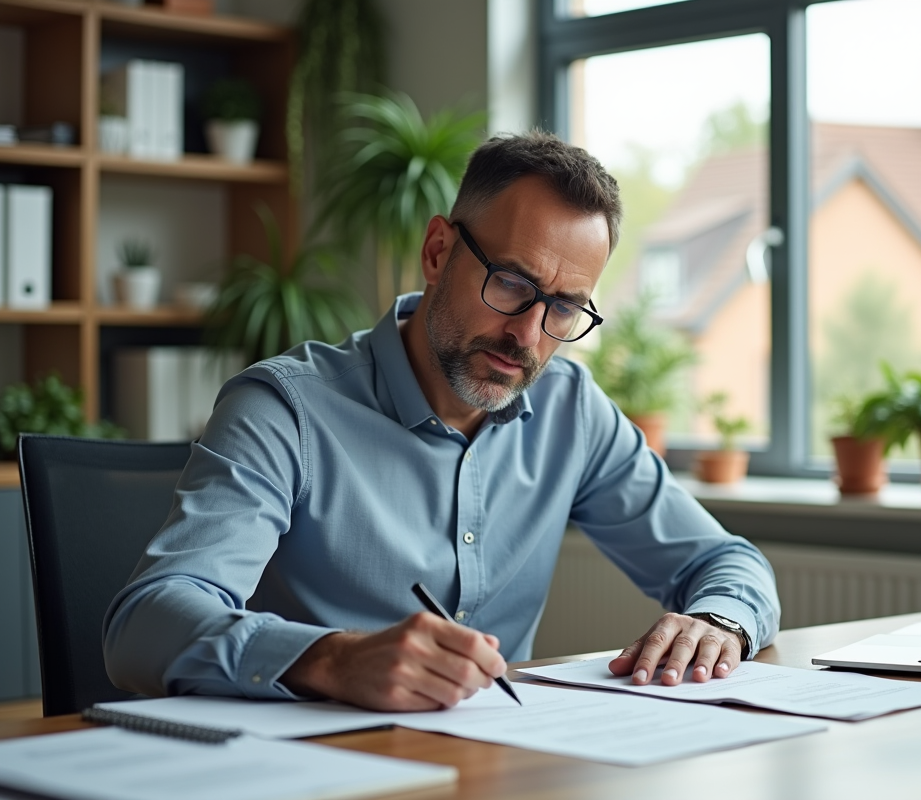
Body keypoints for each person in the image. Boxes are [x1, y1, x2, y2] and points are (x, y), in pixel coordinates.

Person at [103, 131, 781, 712]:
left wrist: (719, 620)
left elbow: (724, 561)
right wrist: (332, 661)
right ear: (437, 252)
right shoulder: (285, 410)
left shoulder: (571, 409)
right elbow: (144, 623)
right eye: (512, 283)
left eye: (565, 308)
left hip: (490, 762)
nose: (527, 335)